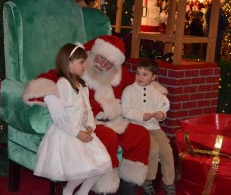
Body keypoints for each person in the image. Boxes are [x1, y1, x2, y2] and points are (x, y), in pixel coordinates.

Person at [23, 35, 169, 194]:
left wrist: (157, 93)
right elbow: (47, 79)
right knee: (108, 137)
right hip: (89, 123)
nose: (103, 65)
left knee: (140, 134)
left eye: (109, 64)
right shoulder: (75, 70)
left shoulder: (118, 74)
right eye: (102, 58)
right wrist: (50, 96)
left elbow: (138, 86)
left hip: (115, 120)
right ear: (93, 53)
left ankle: (128, 187)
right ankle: (104, 188)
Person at [33, 43, 112, 195]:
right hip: (67, 134)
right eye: (81, 62)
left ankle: (82, 192)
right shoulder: (63, 84)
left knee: (104, 162)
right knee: (84, 166)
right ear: (69, 64)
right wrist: (77, 134)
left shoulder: (82, 85)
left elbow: (88, 110)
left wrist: (90, 126)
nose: (85, 65)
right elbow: (59, 117)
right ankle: (68, 191)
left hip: (83, 132)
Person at [121, 59, 175, 195]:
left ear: (153, 77)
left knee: (167, 151)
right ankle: (148, 179)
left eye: (145, 74)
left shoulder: (156, 93)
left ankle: (169, 182)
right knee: (154, 148)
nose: (140, 77)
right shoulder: (129, 90)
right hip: (136, 126)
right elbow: (125, 111)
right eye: (138, 73)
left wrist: (161, 115)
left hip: (154, 127)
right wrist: (141, 115)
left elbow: (162, 110)